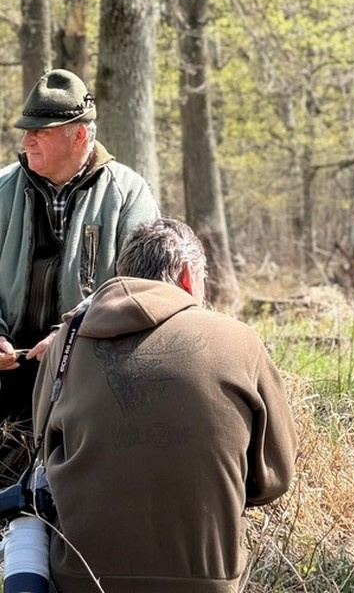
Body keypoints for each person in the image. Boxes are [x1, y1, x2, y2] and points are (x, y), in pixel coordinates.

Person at [0, 68, 159, 539]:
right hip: (6, 357)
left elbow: (141, 287)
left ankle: (74, 528)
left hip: (87, 358)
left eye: (39, 133)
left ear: (78, 135)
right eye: (26, 132)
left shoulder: (128, 193)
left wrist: (73, 331)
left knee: (94, 436)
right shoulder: (0, 189)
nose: (27, 141)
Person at [30, 217, 298, 592]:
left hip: (82, 579)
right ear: (188, 277)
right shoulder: (241, 341)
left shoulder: (66, 343)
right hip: (208, 581)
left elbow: (44, 449)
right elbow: (274, 477)